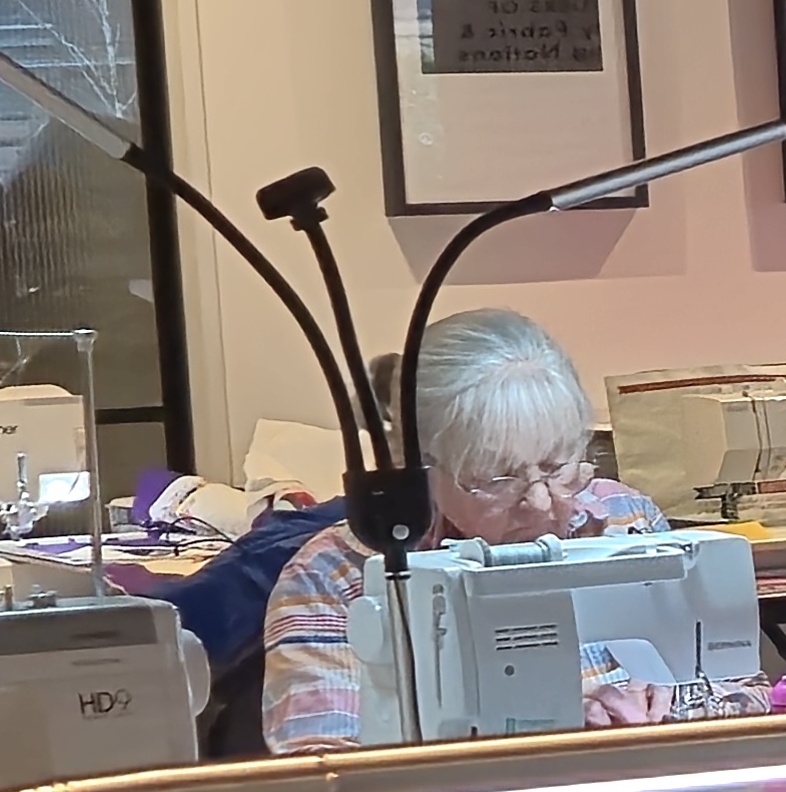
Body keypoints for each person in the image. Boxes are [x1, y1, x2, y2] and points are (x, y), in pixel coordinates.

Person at [254, 305, 672, 754]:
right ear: (417, 469)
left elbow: (741, 694)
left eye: (557, 466)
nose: (541, 502)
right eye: (497, 479)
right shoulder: (337, 577)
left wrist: (678, 705)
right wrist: (534, 738)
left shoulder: (625, 520)